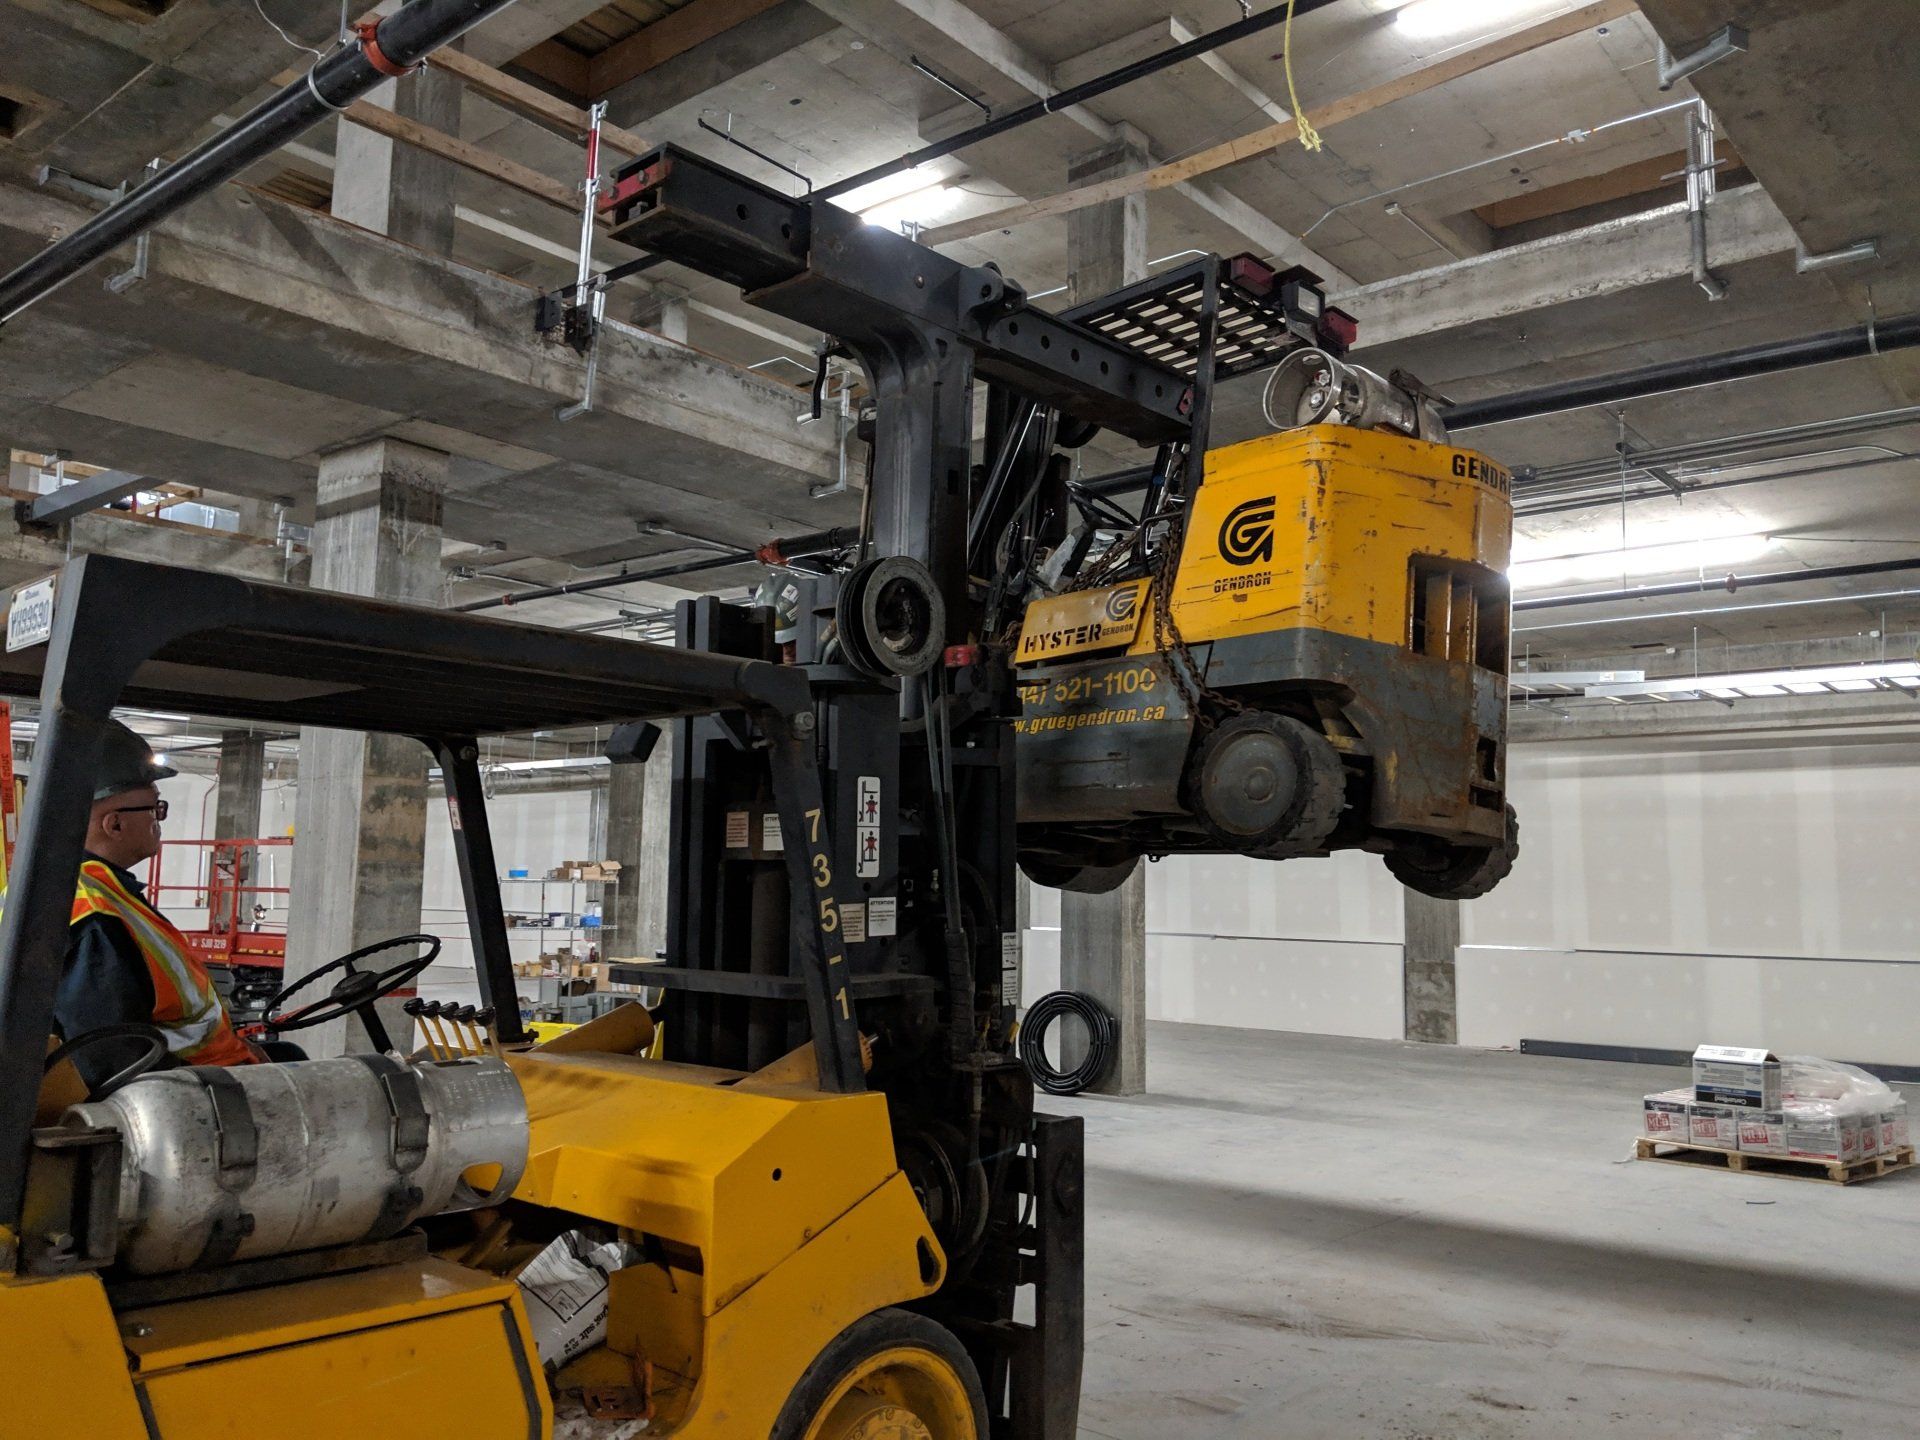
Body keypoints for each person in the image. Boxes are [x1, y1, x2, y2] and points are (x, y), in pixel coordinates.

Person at [52, 720, 265, 1086]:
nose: (158, 820)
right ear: (113, 825)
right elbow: (112, 1060)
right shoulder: (94, 915)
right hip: (192, 1093)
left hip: (215, 1073)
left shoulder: (103, 893)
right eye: (155, 809)